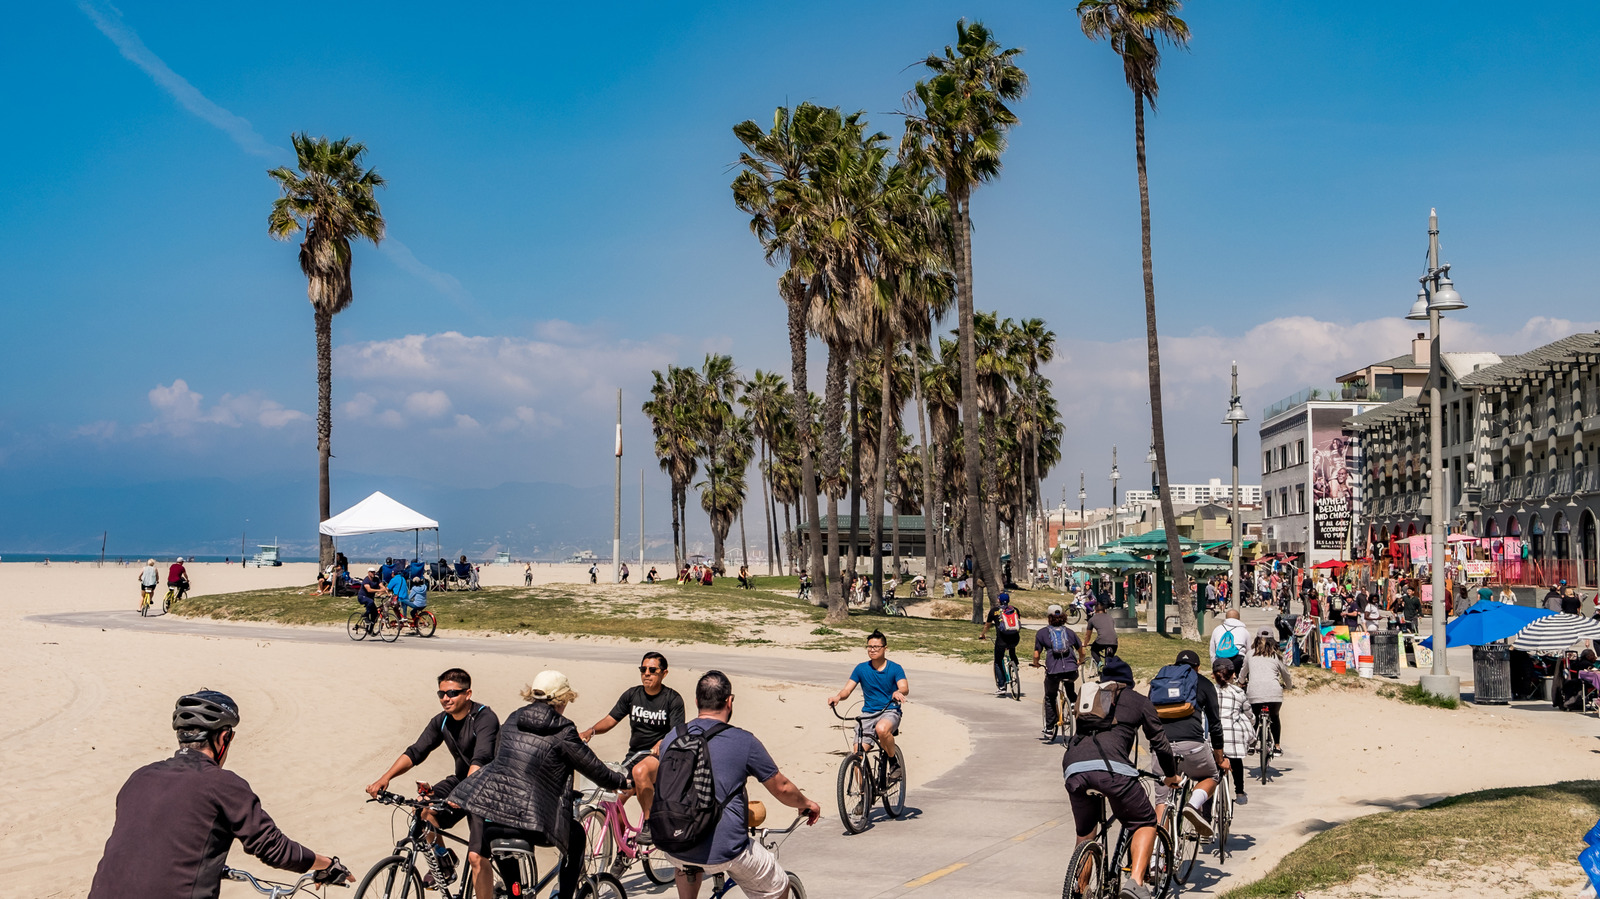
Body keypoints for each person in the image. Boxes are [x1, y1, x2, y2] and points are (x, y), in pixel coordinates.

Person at [89, 691, 348, 899]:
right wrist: (326, 864)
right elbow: (274, 849)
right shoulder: (222, 784)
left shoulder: (139, 777)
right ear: (224, 737)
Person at [448, 671, 629, 899]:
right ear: (562, 699)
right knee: (577, 836)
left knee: (514, 880)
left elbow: (500, 760)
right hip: (534, 824)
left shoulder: (513, 718)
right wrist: (623, 780)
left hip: (494, 821)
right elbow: (594, 769)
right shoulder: (563, 730)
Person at [653, 671, 822, 899]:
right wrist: (806, 803)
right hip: (725, 848)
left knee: (686, 864)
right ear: (729, 701)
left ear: (696, 701)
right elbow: (781, 787)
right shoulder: (744, 741)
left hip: (673, 840)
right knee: (778, 886)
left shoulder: (673, 736)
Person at [367, 669, 500, 899]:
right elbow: (417, 751)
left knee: (477, 857)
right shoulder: (442, 721)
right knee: (423, 807)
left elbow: (481, 759)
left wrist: (463, 794)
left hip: (487, 789)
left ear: (468, 693)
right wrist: (385, 778)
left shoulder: (484, 718)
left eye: (452, 693)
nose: (445, 698)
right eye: (441, 693)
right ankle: (443, 862)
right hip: (460, 780)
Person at [1062, 657, 1178, 899]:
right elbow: (1160, 743)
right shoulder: (1138, 700)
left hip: (1074, 767)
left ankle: (1080, 891)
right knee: (1145, 821)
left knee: (1086, 832)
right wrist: (1170, 775)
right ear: (1129, 683)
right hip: (1112, 770)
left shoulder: (1089, 696)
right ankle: (1135, 883)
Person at [581, 651, 686, 826]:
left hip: (660, 758)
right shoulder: (632, 695)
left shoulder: (672, 699)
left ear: (664, 673)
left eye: (652, 670)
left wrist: (663, 741)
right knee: (613, 801)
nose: (646, 673)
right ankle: (623, 849)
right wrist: (590, 731)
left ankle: (649, 824)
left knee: (640, 771)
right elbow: (610, 720)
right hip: (635, 756)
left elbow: (677, 731)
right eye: (643, 669)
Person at [1148, 650, 1225, 839]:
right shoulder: (1204, 683)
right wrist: (1219, 757)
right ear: (1197, 668)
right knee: (1212, 775)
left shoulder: (1159, 682)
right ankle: (1193, 805)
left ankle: (1157, 859)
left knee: (1162, 802)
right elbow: (1215, 723)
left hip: (1162, 748)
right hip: (1192, 745)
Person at [828, 630, 909, 766]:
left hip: (890, 711)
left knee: (881, 729)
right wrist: (838, 697)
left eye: (876, 647)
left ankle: (893, 761)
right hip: (868, 714)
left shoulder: (895, 668)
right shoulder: (861, 668)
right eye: (869, 647)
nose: (872, 650)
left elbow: (904, 688)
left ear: (885, 648)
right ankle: (861, 788)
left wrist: (897, 692)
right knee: (857, 755)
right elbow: (847, 690)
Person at [1032, 604, 1086, 738]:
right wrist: (1080, 661)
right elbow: (1082, 651)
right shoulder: (1070, 632)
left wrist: (1036, 663)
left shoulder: (1042, 633)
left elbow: (1036, 655)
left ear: (1049, 618)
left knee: (1050, 696)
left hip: (1054, 671)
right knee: (1070, 686)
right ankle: (1073, 704)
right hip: (1071, 670)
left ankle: (1049, 729)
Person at [1239, 631, 1293, 754]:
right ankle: (1277, 747)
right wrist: (1289, 686)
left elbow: (1243, 672)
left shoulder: (1249, 654)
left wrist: (1241, 682)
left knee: (1254, 718)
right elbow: (1286, 675)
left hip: (1254, 693)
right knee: (1274, 716)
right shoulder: (1277, 656)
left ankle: (1252, 744)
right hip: (1274, 694)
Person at [1212, 658, 1252, 805]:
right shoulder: (1238, 692)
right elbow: (1249, 713)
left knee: (1213, 763)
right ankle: (1240, 792)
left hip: (1213, 739)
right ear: (1233, 674)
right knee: (1236, 761)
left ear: (1213, 675)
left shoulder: (1210, 691)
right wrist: (1252, 722)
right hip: (1232, 738)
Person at [979, 592, 1024, 696]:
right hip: (1014, 639)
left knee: (998, 661)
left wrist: (982, 634)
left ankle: (1002, 686)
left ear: (999, 600)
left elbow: (987, 625)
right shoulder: (1015, 609)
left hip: (1001, 640)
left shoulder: (994, 611)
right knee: (1012, 650)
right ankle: (1015, 664)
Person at [1209, 608, 1252, 676]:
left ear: (1226, 618)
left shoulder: (1217, 629)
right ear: (1239, 618)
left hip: (1220, 660)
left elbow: (1212, 651)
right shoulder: (1244, 631)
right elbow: (1249, 651)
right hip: (1238, 660)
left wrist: (1214, 666)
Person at [1083, 599, 1120, 671]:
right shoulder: (1110, 618)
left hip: (1101, 640)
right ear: (1105, 610)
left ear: (1095, 611)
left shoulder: (1092, 619)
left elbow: (1088, 635)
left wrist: (1085, 643)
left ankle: (1099, 663)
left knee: (1093, 650)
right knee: (1109, 660)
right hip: (1114, 641)